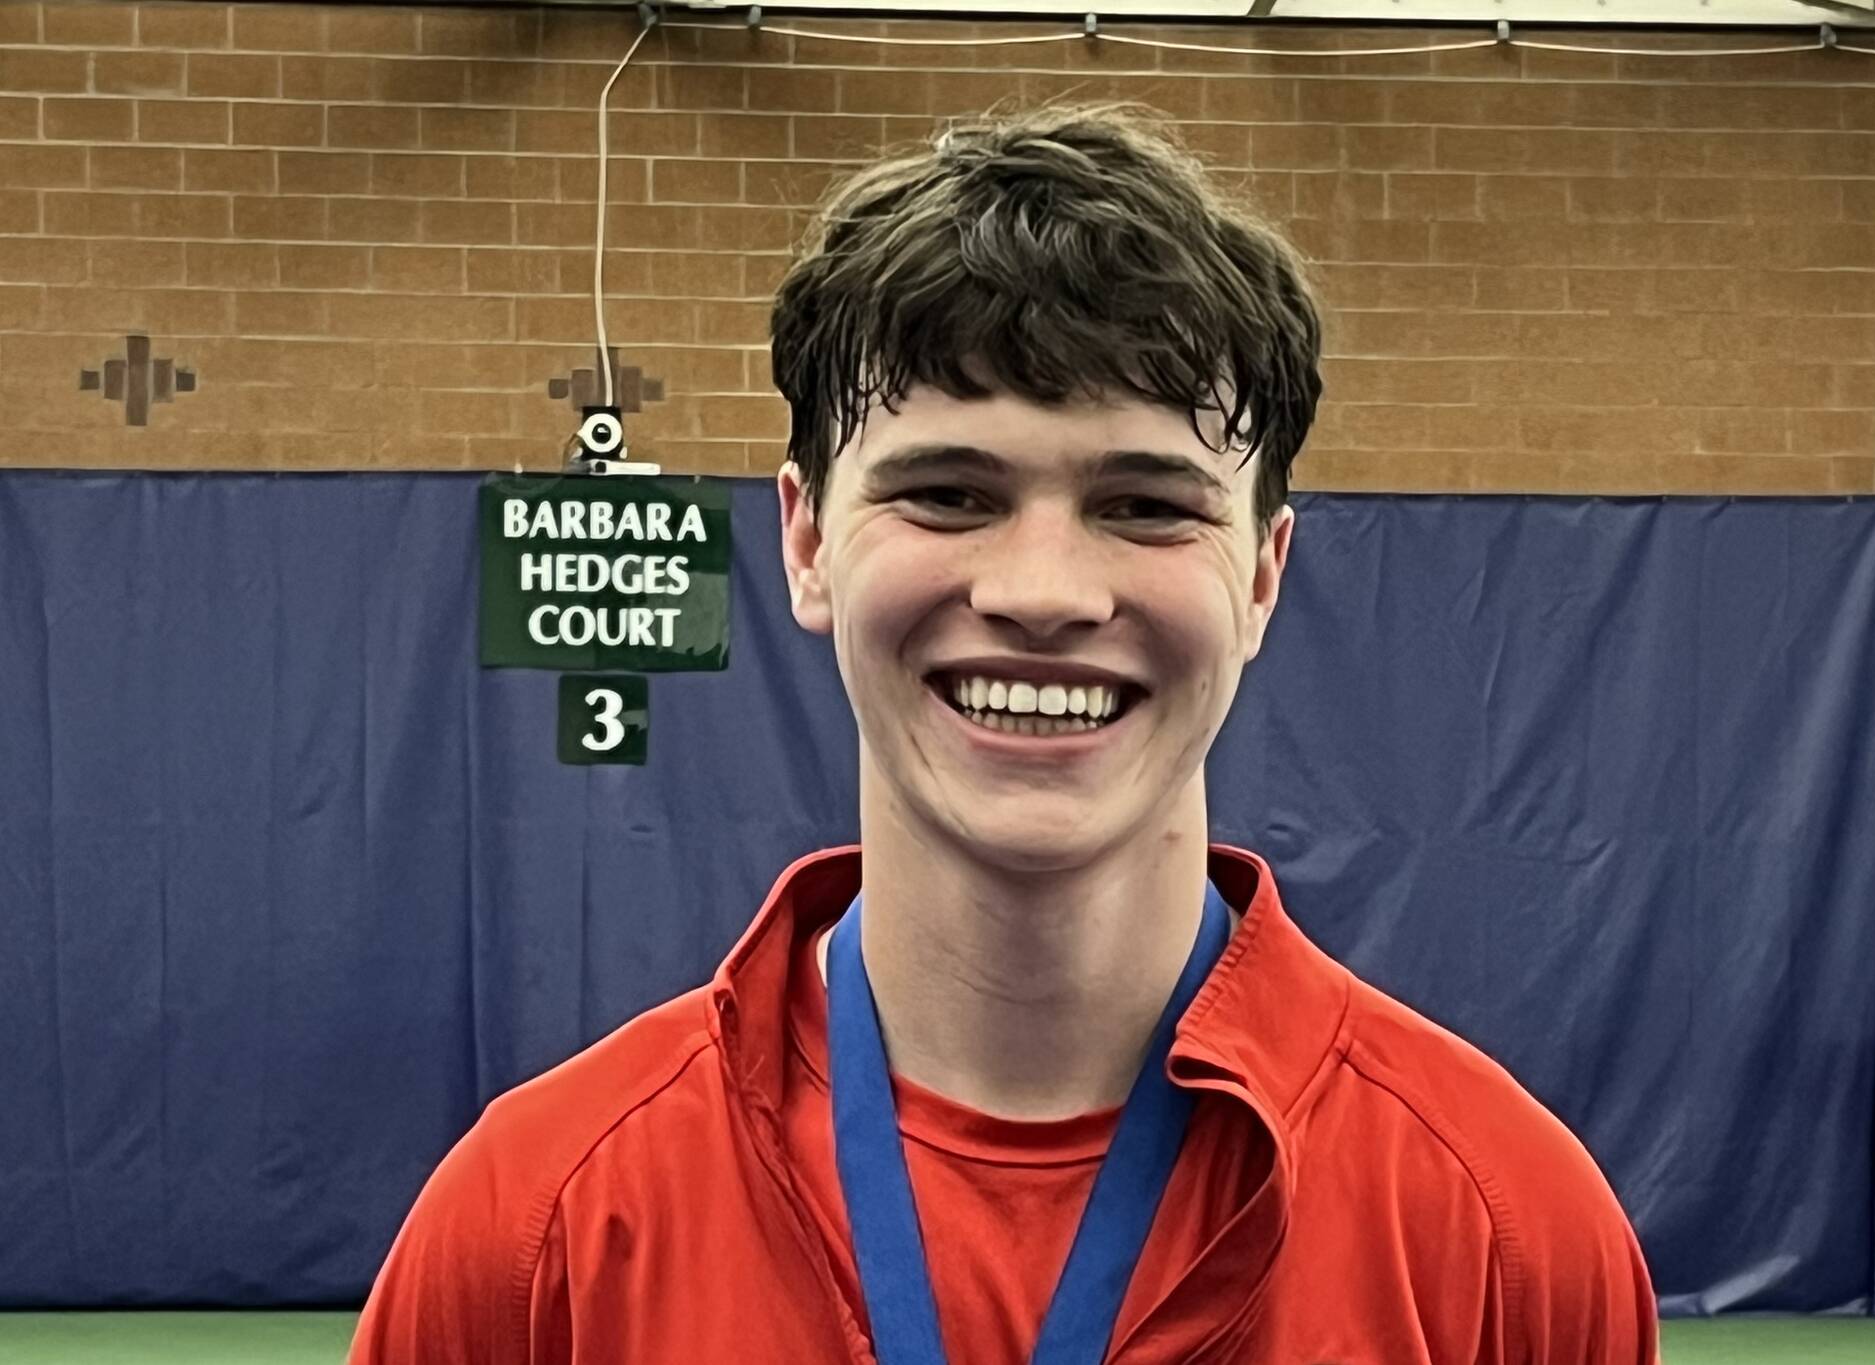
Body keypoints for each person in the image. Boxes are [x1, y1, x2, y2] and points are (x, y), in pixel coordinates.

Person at [349, 102, 1658, 1364]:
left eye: (1146, 505)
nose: (1042, 591)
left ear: (1262, 576)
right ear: (805, 542)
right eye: (950, 492)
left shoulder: (1508, 1239)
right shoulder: (533, 1236)